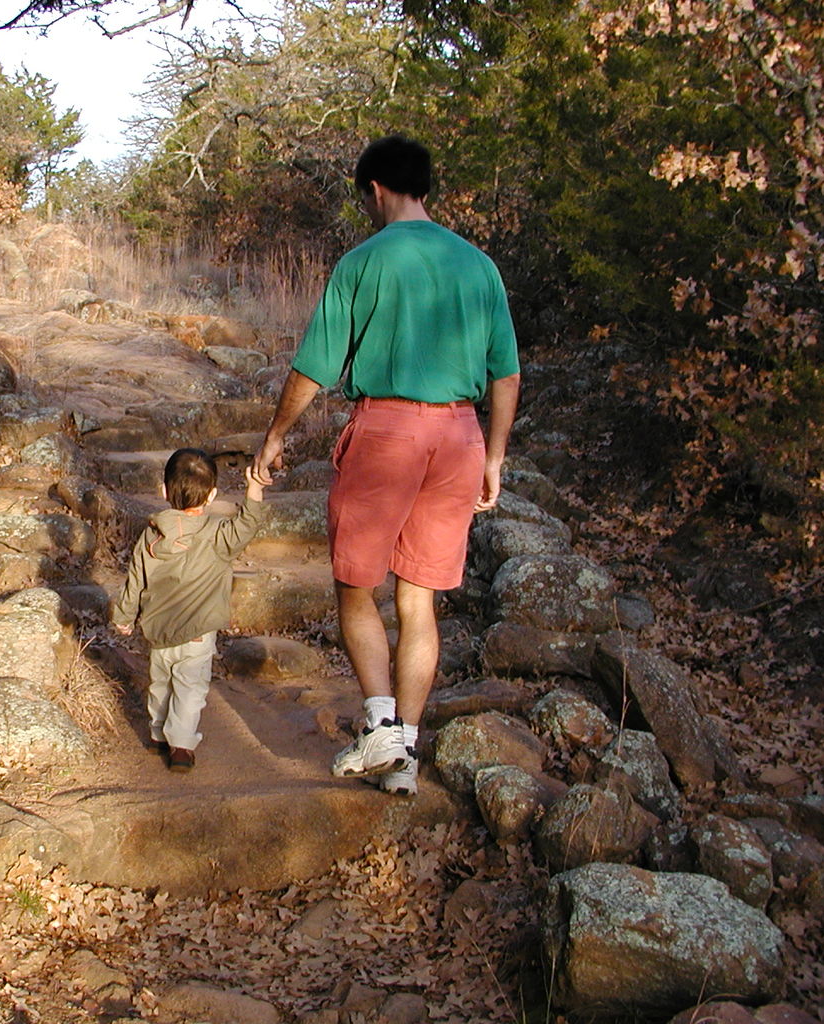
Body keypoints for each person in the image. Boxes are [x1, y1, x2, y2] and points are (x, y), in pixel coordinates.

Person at [251, 135, 521, 795]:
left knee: (354, 583)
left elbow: (315, 364)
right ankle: (404, 750)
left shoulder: (362, 262)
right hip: (458, 435)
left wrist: (275, 436)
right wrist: (494, 455)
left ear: (375, 189)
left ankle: (378, 724)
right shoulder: (478, 266)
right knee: (418, 598)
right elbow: (506, 374)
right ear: (422, 185)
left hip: (386, 432)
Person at [112, 449, 267, 772]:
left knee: (160, 682)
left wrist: (124, 617)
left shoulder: (151, 536)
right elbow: (247, 523)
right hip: (197, 634)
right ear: (212, 495)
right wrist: (254, 488)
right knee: (189, 688)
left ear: (164, 491)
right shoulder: (218, 536)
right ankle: (181, 744)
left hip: (159, 631)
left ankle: (157, 733)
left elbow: (135, 580)